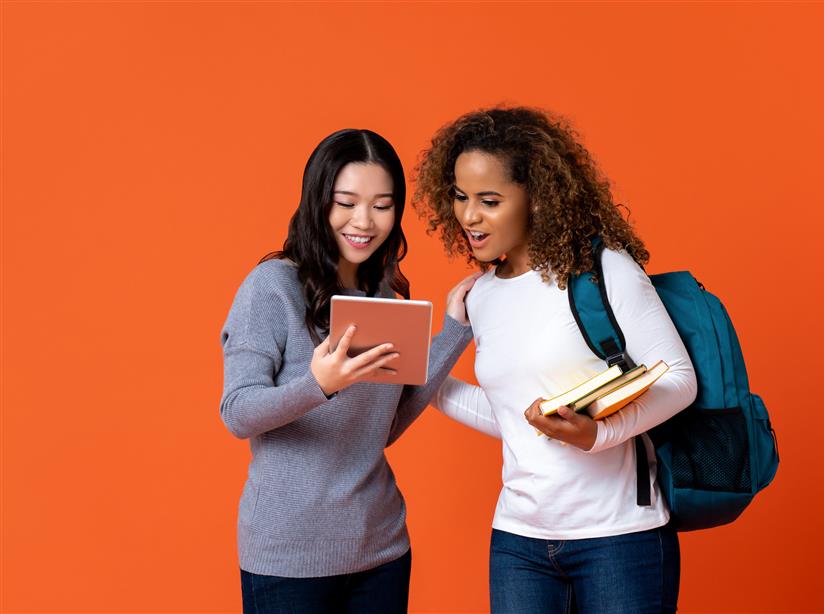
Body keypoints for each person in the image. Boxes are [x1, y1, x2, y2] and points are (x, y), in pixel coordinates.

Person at [413, 107, 698, 613]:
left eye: (490, 200)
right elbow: (514, 420)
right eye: (459, 196)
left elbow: (678, 380)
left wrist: (597, 434)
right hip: (518, 542)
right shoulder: (481, 297)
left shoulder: (602, 270)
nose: (469, 216)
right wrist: (420, 369)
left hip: (619, 540)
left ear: (537, 198)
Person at [219, 128, 478, 614]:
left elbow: (383, 428)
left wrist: (454, 330)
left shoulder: (381, 296)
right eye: (346, 202)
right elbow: (237, 412)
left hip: (380, 550)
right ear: (318, 202)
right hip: (287, 558)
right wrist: (318, 385)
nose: (364, 221)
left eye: (382, 205)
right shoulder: (272, 287)